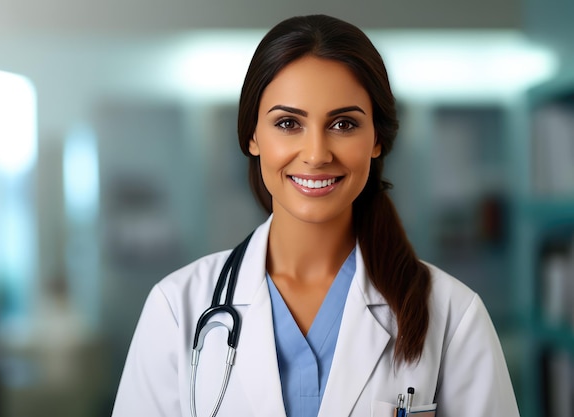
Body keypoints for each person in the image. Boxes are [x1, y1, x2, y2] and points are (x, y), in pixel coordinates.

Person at [112, 14, 520, 417]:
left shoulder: (452, 315)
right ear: (253, 136)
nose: (316, 154)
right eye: (288, 123)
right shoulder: (177, 308)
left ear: (377, 139)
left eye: (343, 124)